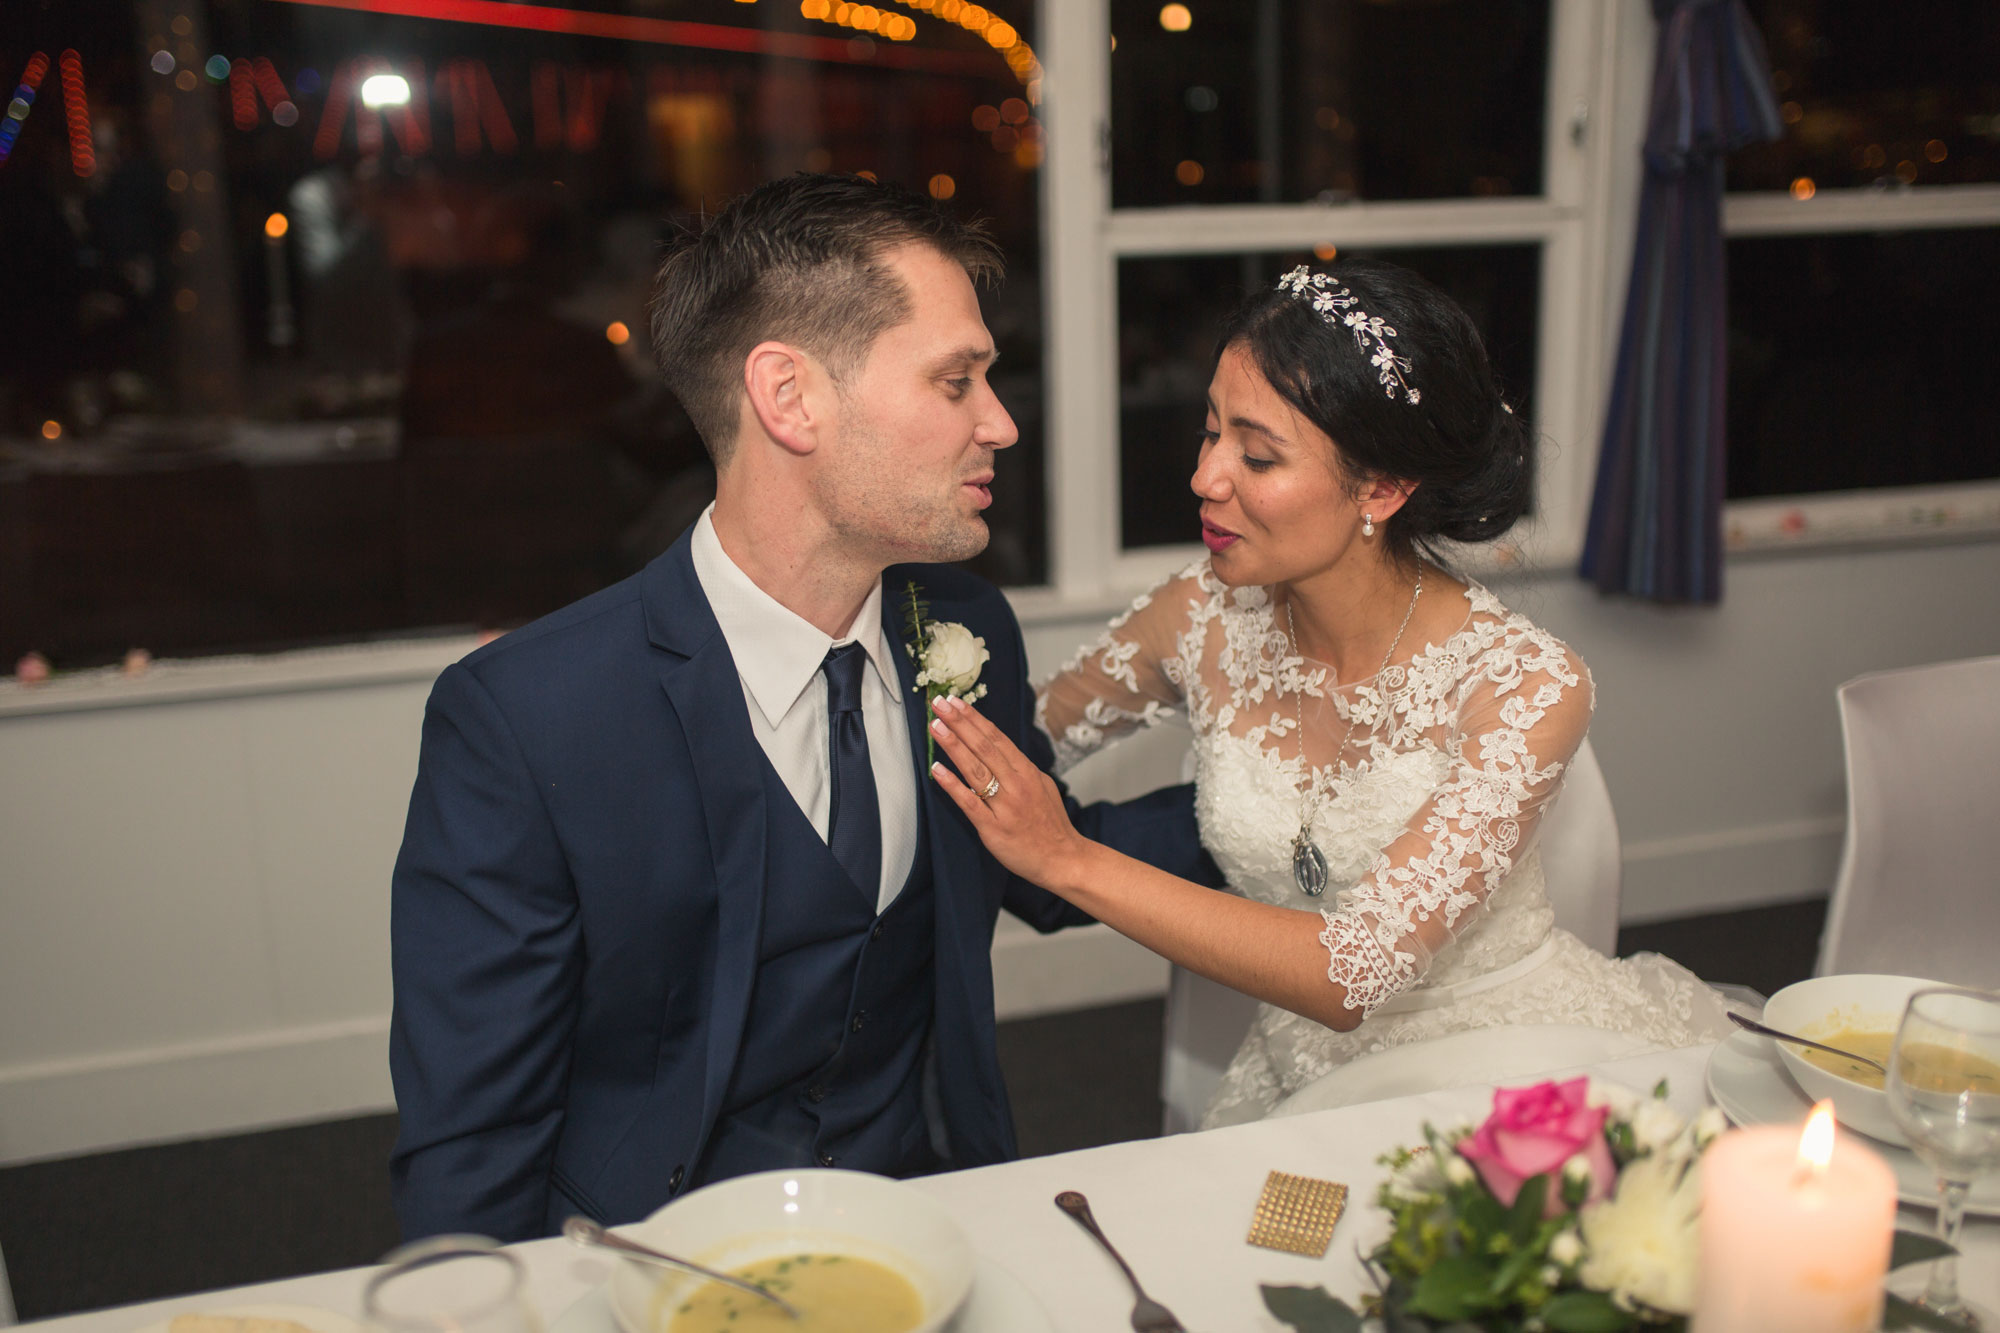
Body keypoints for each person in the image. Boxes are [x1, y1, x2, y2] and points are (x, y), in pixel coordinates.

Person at [386, 173, 1216, 1240]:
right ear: (787, 398)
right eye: (955, 381)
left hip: (929, 1215)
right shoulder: (528, 717)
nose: (1001, 424)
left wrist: (1283, 803)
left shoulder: (963, 631)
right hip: (655, 1261)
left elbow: (1035, 857)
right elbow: (473, 1133)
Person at [926, 258, 1732, 1127]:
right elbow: (1012, 733)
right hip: (1297, 1064)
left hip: (1504, 1066)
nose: (1206, 478)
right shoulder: (1200, 614)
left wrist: (1066, 856)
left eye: (1258, 454)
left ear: (1380, 488)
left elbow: (1351, 973)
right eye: (1210, 432)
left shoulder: (1524, 683)